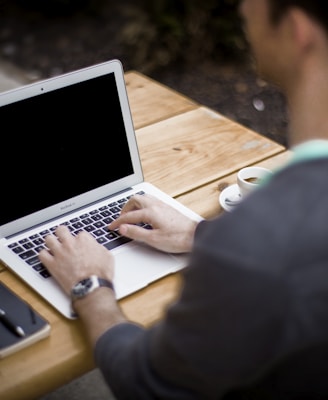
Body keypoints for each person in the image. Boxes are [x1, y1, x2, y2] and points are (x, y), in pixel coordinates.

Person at [39, 0, 328, 398]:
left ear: (297, 29)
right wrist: (199, 233)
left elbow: (146, 384)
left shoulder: (262, 238)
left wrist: (91, 286)